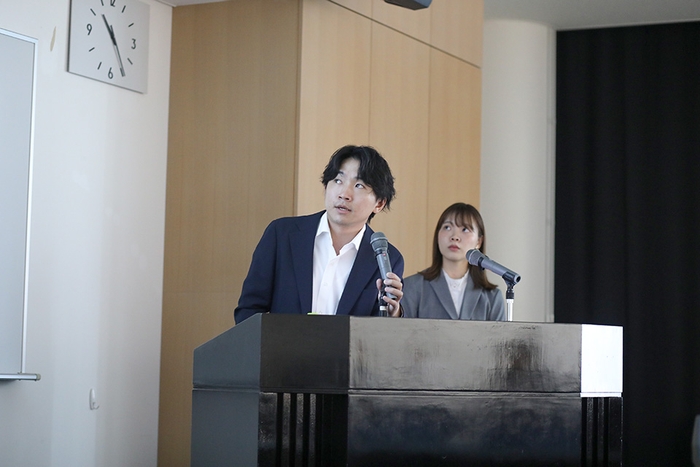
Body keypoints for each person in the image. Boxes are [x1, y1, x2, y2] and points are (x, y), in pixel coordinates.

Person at [234, 145, 404, 324]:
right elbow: (249, 309)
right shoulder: (282, 235)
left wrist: (393, 314)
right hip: (280, 343)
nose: (344, 194)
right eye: (338, 180)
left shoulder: (388, 259)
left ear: (379, 203)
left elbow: (381, 332)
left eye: (359, 185)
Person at [402, 202, 505, 321]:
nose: (455, 237)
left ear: (479, 241)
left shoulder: (492, 297)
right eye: (447, 227)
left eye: (465, 229)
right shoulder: (412, 287)